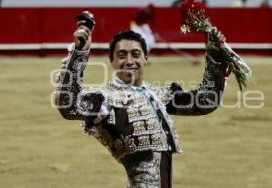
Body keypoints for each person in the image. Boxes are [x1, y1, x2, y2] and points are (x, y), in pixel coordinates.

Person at [54, 11, 230, 188]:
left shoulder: (157, 95)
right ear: (112, 61)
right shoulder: (106, 99)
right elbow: (69, 106)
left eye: (136, 54)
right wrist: (79, 53)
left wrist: (215, 54)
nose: (129, 61)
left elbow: (206, 101)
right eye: (122, 55)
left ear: (146, 58)